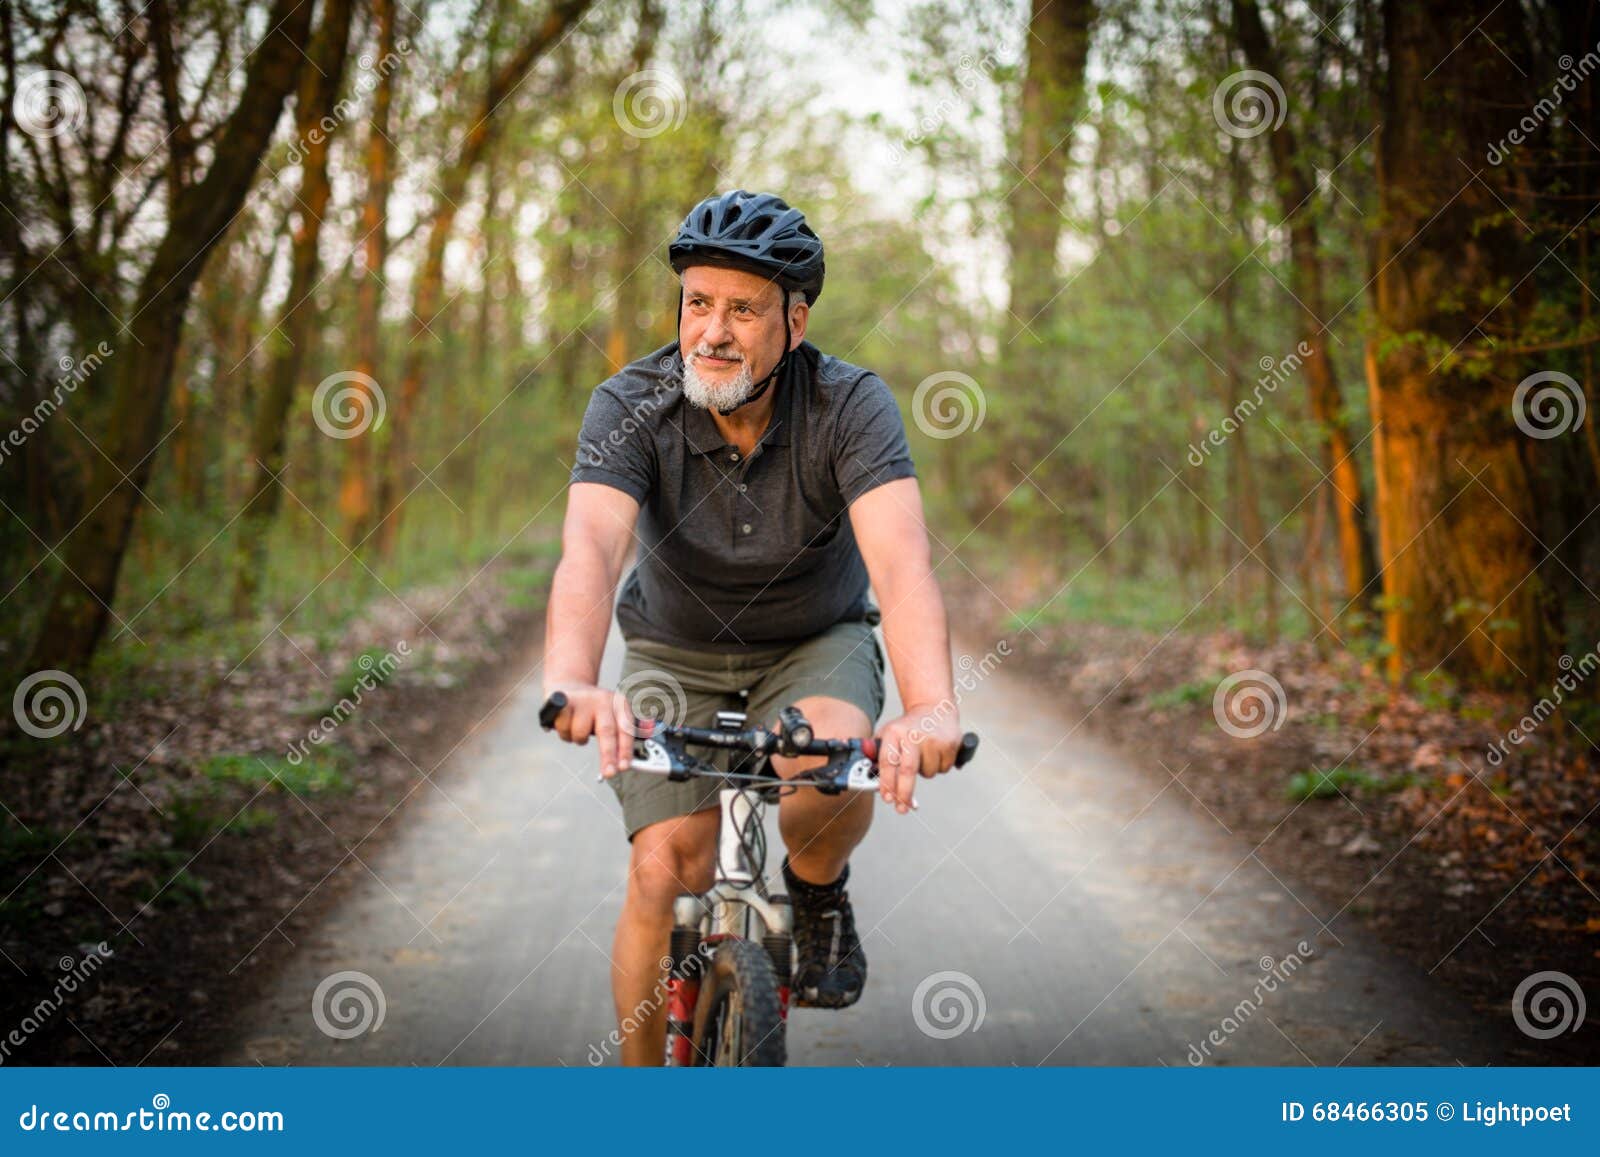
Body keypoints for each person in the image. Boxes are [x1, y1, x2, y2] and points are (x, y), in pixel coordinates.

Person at [542, 189, 964, 1065]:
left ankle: (817, 888)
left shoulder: (850, 406)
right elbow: (590, 546)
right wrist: (576, 678)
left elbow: (901, 563)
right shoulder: (631, 401)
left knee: (822, 773)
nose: (713, 331)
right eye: (699, 302)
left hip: (815, 639)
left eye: (743, 308)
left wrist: (927, 704)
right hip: (671, 646)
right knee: (667, 864)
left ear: (795, 321)